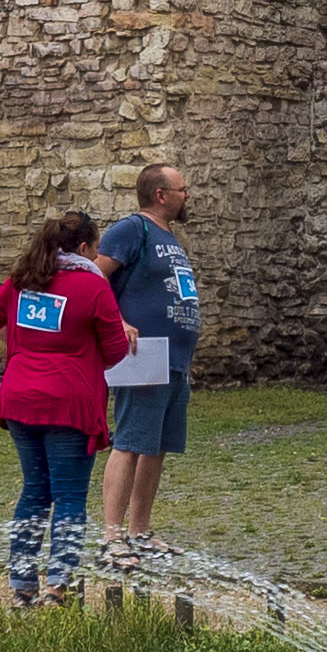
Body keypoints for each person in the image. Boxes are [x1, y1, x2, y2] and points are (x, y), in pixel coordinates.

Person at [0, 210, 129, 604]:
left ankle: (21, 584)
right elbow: (115, 350)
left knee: (34, 491)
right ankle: (57, 585)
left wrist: (26, 350)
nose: (98, 258)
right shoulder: (92, 287)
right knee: (69, 495)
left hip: (19, 396)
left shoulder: (24, 278)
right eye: (96, 249)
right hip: (68, 403)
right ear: (83, 248)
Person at [96, 160, 198, 553]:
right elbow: (96, 274)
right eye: (181, 190)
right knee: (131, 440)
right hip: (143, 355)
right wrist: (117, 322)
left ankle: (140, 531)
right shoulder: (132, 229)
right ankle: (111, 534)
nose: (186, 196)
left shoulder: (169, 236)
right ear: (161, 195)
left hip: (173, 359)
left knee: (156, 445)